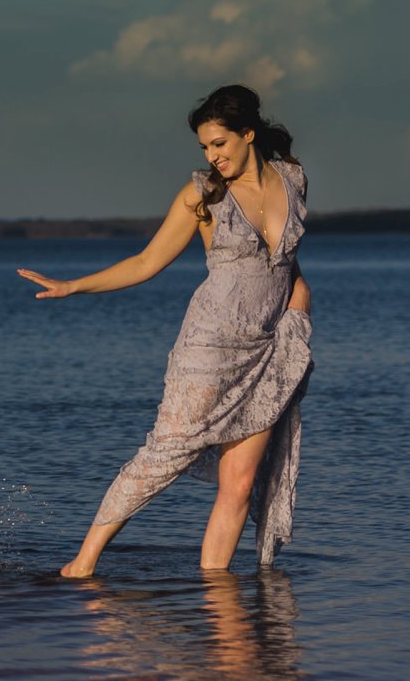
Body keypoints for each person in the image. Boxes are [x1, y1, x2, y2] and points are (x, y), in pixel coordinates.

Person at [19, 84, 313, 578]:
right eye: (204, 147)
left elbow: (286, 263)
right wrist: (73, 287)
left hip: (268, 349)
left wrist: (299, 305)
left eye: (219, 143)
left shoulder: (293, 179)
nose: (211, 155)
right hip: (209, 348)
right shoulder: (202, 194)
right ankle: (84, 560)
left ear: (248, 133)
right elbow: (146, 261)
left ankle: (216, 588)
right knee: (166, 452)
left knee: (239, 483)